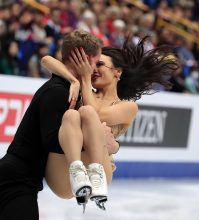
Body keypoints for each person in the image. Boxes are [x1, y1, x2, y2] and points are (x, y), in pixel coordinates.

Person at [41, 35, 179, 210]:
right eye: (93, 65)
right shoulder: (81, 88)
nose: (93, 69)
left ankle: (95, 172)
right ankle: (77, 171)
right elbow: (46, 60)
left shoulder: (128, 106)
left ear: (117, 71)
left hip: (98, 173)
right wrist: (74, 79)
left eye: (100, 64)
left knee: (85, 111)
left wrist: (83, 79)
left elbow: (95, 114)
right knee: (71, 116)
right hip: (64, 173)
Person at [0, 30, 119, 220]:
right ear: (84, 59)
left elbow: (48, 61)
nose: (96, 69)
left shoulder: (66, 87)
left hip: (21, 179)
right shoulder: (58, 91)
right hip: (15, 181)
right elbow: (52, 142)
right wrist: (97, 142)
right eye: (95, 62)